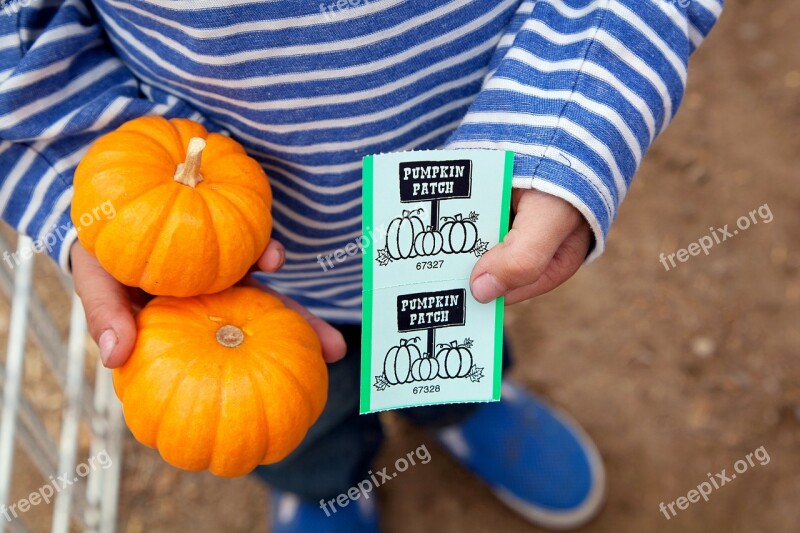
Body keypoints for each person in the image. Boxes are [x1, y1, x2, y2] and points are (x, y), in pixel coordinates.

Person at [0, 1, 722, 531]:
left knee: (450, 335)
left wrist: (565, 120)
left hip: (458, 218)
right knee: (285, 404)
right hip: (240, 274)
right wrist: (102, 195)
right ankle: (320, 485)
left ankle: (463, 404)